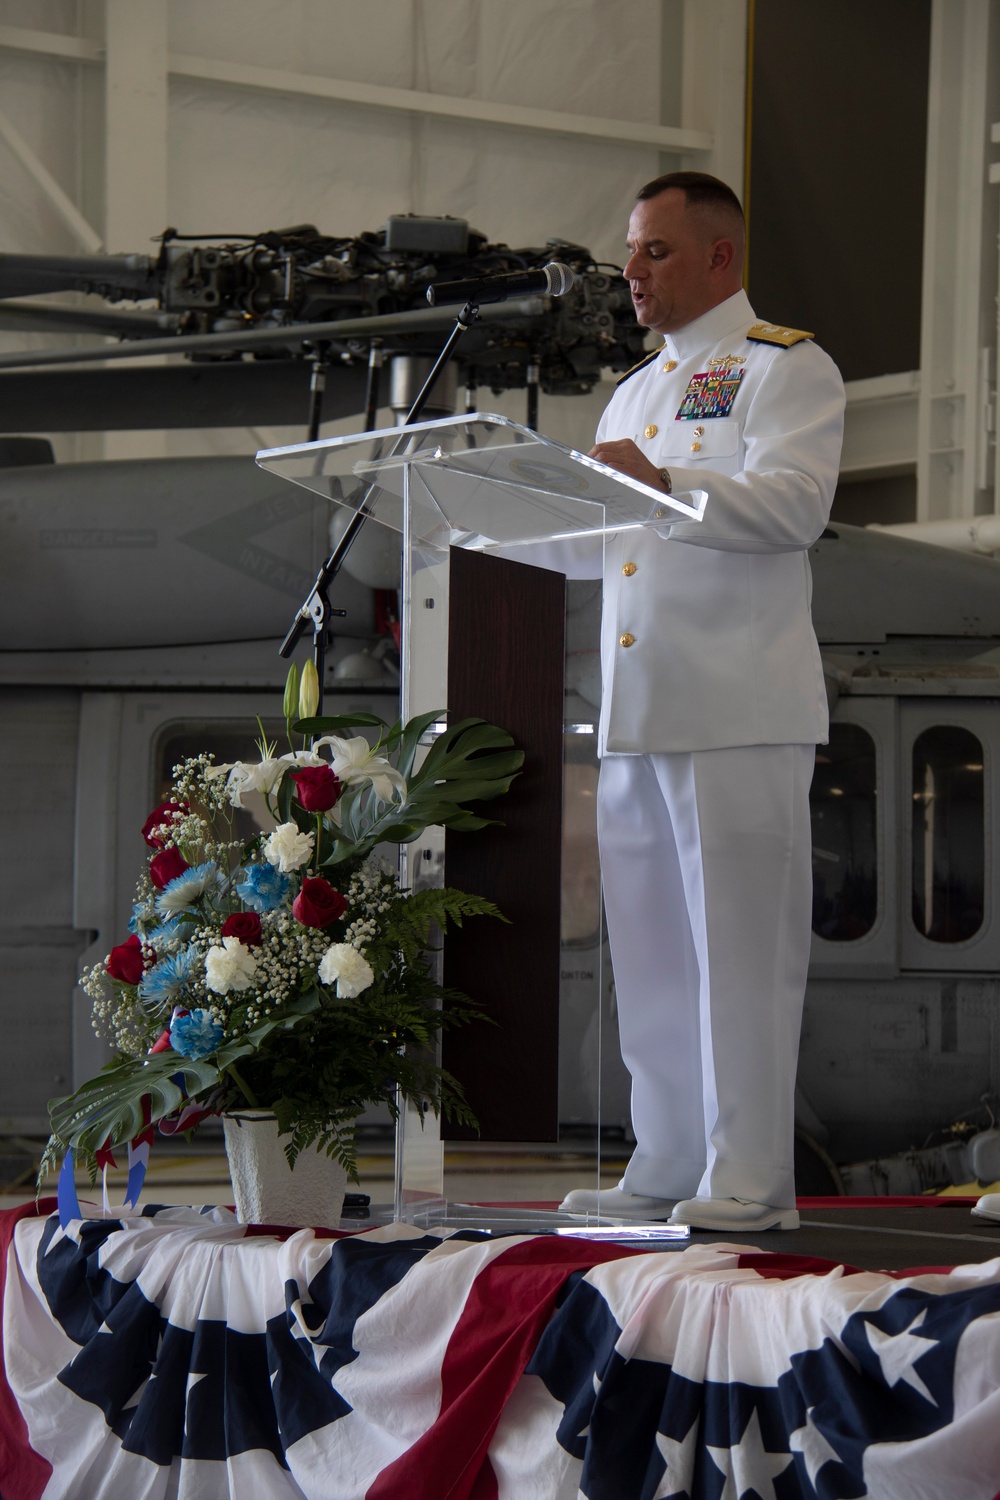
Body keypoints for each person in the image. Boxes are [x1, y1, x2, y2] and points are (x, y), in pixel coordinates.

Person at [557, 171, 845, 1231]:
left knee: (738, 956)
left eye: (655, 251)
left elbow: (795, 508)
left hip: (737, 712)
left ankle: (750, 1180)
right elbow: (608, 546)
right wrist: (487, 521)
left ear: (719, 257)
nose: (629, 272)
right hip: (641, 713)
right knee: (653, 958)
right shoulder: (633, 394)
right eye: (632, 251)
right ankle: (666, 1159)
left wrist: (665, 486)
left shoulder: (786, 366)